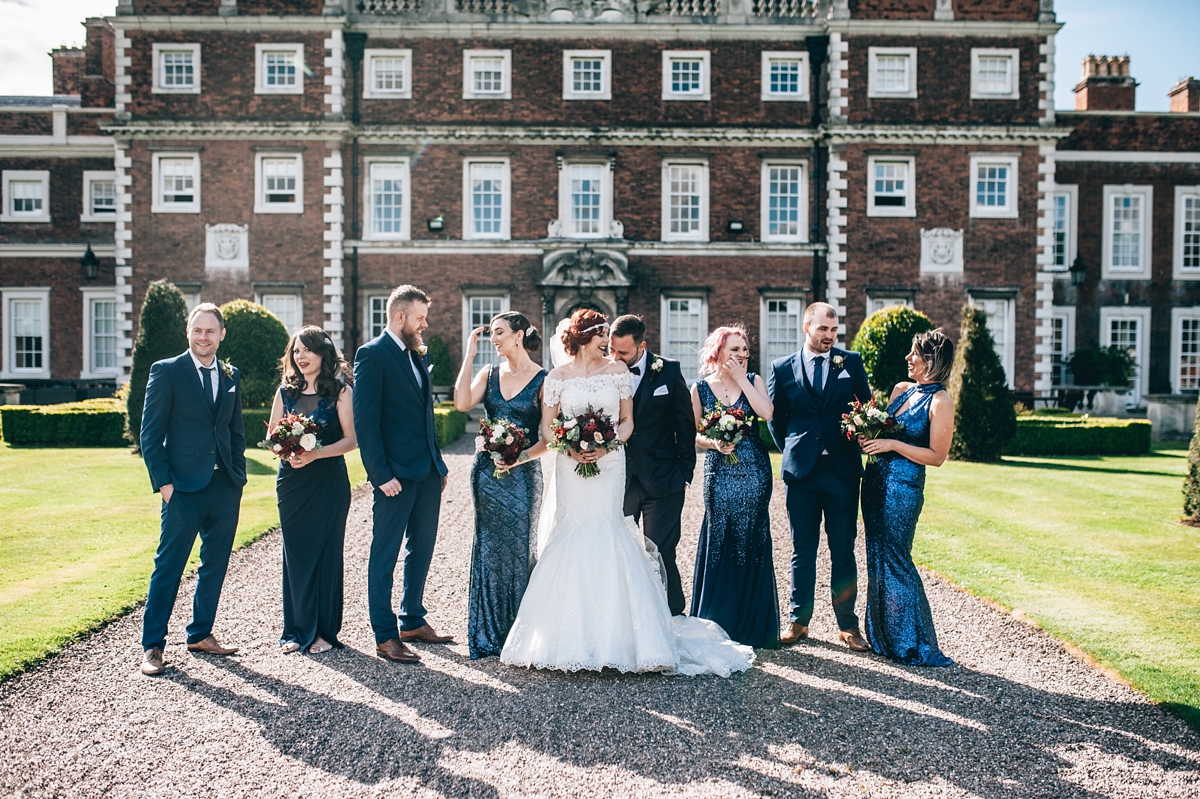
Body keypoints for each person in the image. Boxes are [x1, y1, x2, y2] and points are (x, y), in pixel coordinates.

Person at [500, 309, 754, 676]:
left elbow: (627, 422)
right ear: (583, 337)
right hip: (572, 469)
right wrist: (571, 448)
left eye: (608, 334)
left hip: (610, 464)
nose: (608, 341)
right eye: (601, 334)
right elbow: (550, 429)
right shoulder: (556, 377)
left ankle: (627, 636)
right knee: (572, 533)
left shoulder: (616, 372)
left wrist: (604, 446)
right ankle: (570, 637)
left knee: (611, 531)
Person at [138, 303, 247, 676]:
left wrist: (239, 478)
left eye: (210, 331)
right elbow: (150, 436)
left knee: (214, 565)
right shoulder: (167, 371)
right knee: (168, 567)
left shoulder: (231, 375)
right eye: (197, 331)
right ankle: (152, 646)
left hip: (224, 486)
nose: (204, 337)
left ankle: (200, 633)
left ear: (222, 335)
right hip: (182, 489)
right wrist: (165, 486)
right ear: (189, 332)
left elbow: (235, 432)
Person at [353, 285, 451, 664]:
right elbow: (366, 420)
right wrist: (380, 474)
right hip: (393, 475)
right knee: (385, 552)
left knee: (423, 547)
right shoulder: (372, 355)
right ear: (400, 318)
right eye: (420, 317)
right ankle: (384, 634)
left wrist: (438, 465)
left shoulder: (414, 354)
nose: (424, 324)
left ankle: (412, 619)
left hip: (426, 473)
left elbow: (424, 418)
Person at [767, 302, 872, 651]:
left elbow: (865, 407)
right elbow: (775, 419)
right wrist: (796, 448)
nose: (829, 336)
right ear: (807, 327)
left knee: (843, 550)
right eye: (823, 329)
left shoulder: (851, 362)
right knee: (802, 550)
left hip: (842, 472)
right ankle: (799, 621)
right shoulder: (781, 368)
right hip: (802, 473)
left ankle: (848, 626)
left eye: (834, 330)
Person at [858, 330, 956, 666]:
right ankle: (884, 637)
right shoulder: (901, 391)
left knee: (897, 559)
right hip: (874, 483)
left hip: (903, 489)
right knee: (876, 557)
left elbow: (937, 456)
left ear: (930, 361)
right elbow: (883, 431)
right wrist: (868, 435)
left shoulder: (940, 402)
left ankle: (912, 642)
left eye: (913, 354)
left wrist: (893, 445)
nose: (907, 359)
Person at [454, 312, 547, 659]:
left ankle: (520, 634)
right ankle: (487, 632)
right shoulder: (488, 373)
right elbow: (462, 403)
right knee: (489, 549)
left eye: (499, 333)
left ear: (519, 335)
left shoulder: (543, 379)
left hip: (523, 477)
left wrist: (517, 458)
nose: (494, 339)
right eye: (491, 334)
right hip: (487, 476)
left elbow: (549, 438)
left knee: (520, 548)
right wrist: (470, 354)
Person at [268, 326, 357, 655]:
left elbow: (352, 438)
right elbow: (272, 439)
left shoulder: (341, 392)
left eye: (308, 350)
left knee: (326, 554)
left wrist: (316, 453)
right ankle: (295, 629)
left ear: (323, 354)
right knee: (296, 556)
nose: (301, 357)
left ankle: (323, 631)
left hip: (329, 482)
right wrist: (287, 451)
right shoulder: (284, 393)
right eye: (296, 351)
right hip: (292, 483)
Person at [690, 325, 780, 649]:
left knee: (750, 535)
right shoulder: (699, 388)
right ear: (719, 352)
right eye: (735, 350)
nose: (742, 354)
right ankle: (717, 619)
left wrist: (742, 378)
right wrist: (713, 442)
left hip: (754, 470)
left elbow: (766, 413)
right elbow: (693, 433)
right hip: (717, 473)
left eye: (744, 349)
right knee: (720, 534)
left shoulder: (753, 380)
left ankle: (752, 623)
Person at [608, 314, 696, 616]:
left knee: (661, 550)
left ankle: (672, 614)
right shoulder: (603, 373)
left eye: (624, 353)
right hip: (619, 479)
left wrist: (686, 471)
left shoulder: (668, 372)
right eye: (612, 350)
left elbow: (685, 425)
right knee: (623, 551)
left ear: (642, 346)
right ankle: (630, 616)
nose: (616, 358)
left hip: (664, 478)